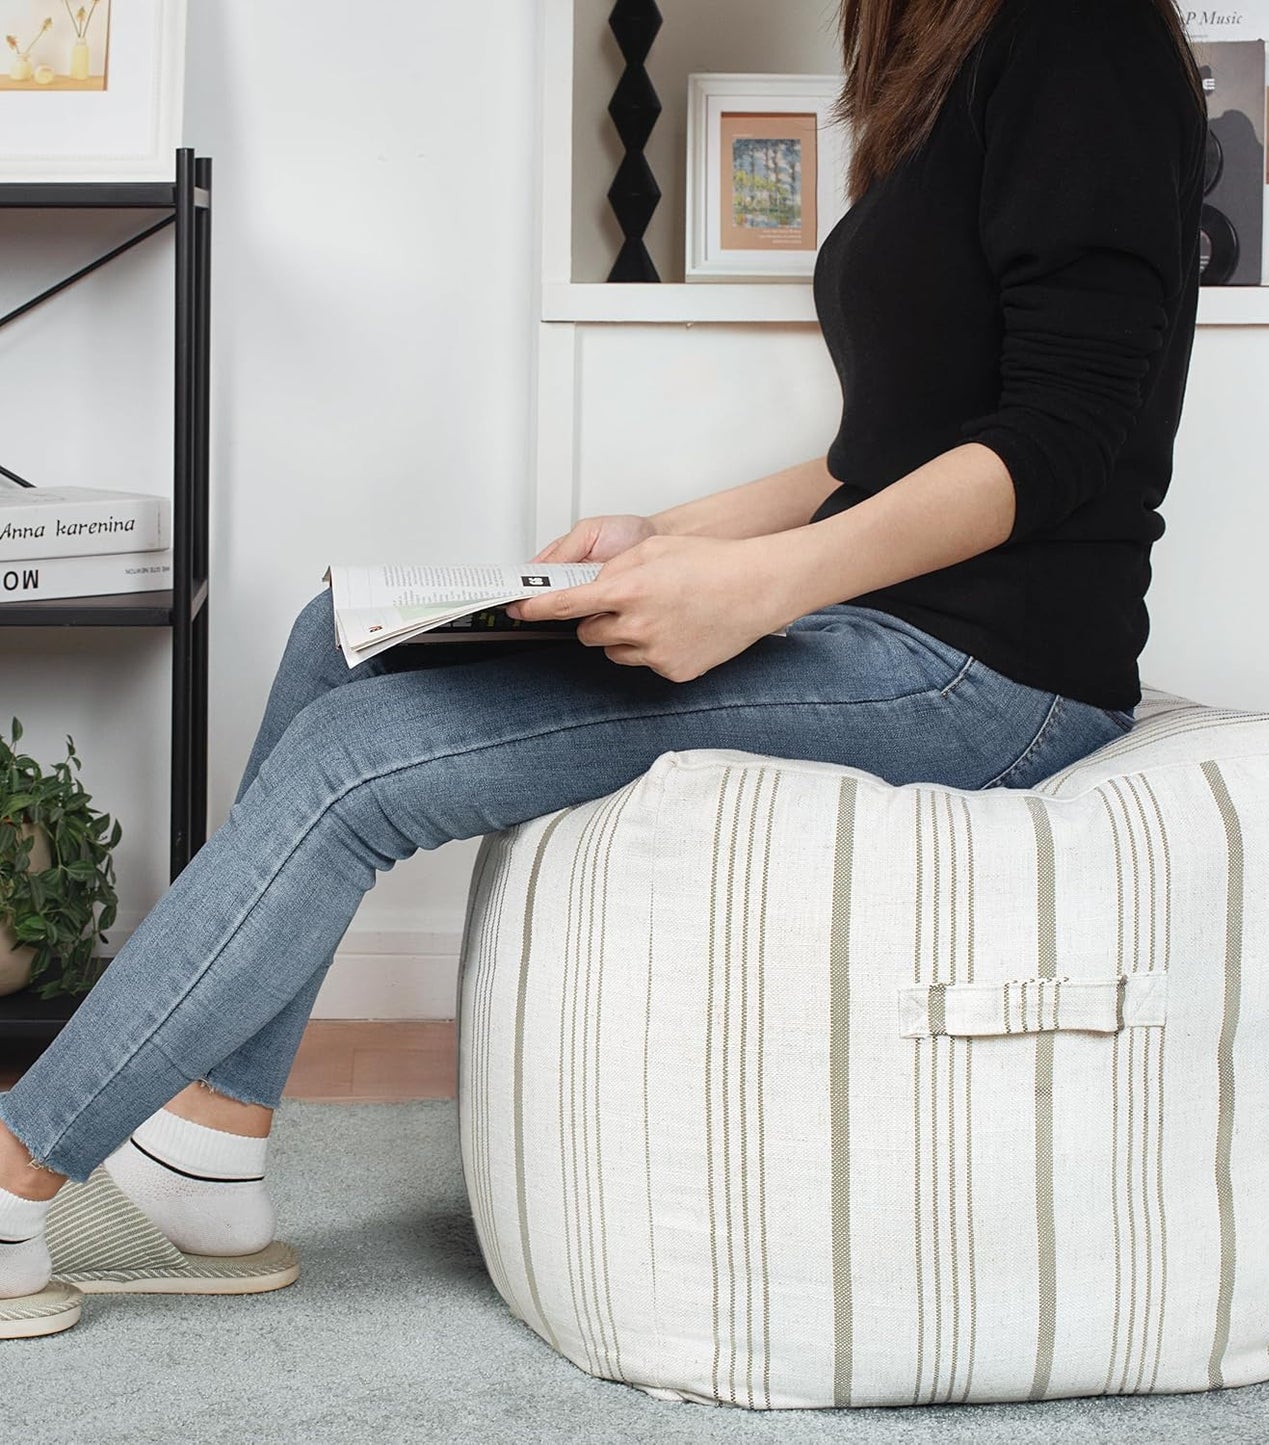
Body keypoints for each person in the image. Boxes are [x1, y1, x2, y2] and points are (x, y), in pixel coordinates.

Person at [0, 0, 1206, 1336]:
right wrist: (668, 537)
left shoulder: (1077, 30)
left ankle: (14, 1164)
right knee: (333, 635)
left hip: (995, 677)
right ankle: (202, 1161)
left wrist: (754, 590)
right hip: (886, 623)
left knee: (359, 767)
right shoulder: (938, 47)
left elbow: (1064, 435)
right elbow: (898, 449)